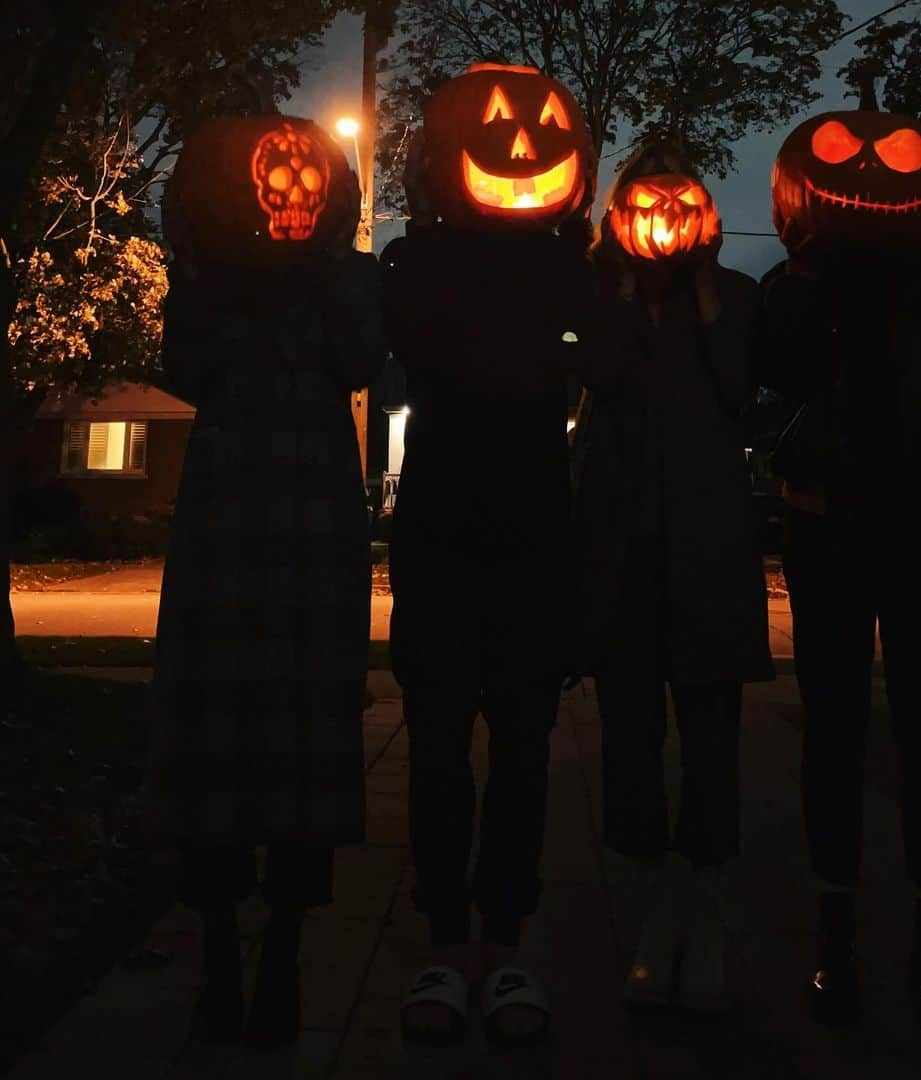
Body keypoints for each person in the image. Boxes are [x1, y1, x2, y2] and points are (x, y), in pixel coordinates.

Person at [755, 105, 921, 1034]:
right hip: (829, 522)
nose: (863, 170)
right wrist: (809, 270)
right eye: (839, 157)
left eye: (892, 157)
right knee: (832, 731)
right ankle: (837, 943)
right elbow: (773, 366)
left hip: (919, 522)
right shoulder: (803, 284)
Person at [147, 158, 384, 1048]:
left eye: (303, 174)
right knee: (214, 729)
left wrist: (314, 269)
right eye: (267, 174)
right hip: (223, 513)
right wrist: (232, 275)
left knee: (303, 731)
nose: (286, 189)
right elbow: (182, 365)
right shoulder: (210, 271)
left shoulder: (348, 272)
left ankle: (283, 946)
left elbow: (363, 360)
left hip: (316, 514)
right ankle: (217, 948)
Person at [383, 129, 594, 1047]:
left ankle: (504, 941)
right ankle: (447, 939)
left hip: (536, 540)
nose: (515, 144)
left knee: (520, 754)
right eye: (491, 128)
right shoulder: (414, 261)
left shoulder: (567, 268)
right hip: (437, 536)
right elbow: (409, 354)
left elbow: (586, 368)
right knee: (436, 751)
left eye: (544, 133)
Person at [573, 140, 774, 1012]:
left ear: (706, 217)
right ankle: (651, 914)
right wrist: (622, 295)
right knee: (627, 741)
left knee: (712, 744)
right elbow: (589, 382)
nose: (662, 218)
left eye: (678, 203)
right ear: (619, 217)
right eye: (643, 204)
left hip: (709, 548)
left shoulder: (734, 299)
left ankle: (704, 915)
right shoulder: (599, 298)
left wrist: (700, 300)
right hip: (623, 549)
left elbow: (741, 397)